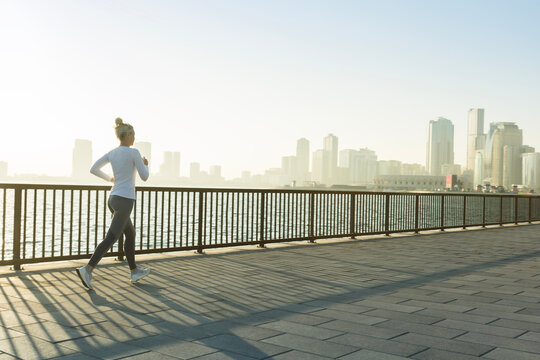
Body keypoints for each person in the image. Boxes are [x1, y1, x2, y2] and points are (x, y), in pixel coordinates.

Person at [76, 118, 150, 290]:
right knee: (112, 236)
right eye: (134, 135)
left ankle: (134, 271)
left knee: (130, 234)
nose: (134, 138)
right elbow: (144, 176)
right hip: (125, 200)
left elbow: (93, 168)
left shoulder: (112, 153)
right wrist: (146, 165)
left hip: (113, 198)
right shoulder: (134, 153)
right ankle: (87, 269)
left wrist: (110, 178)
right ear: (128, 135)